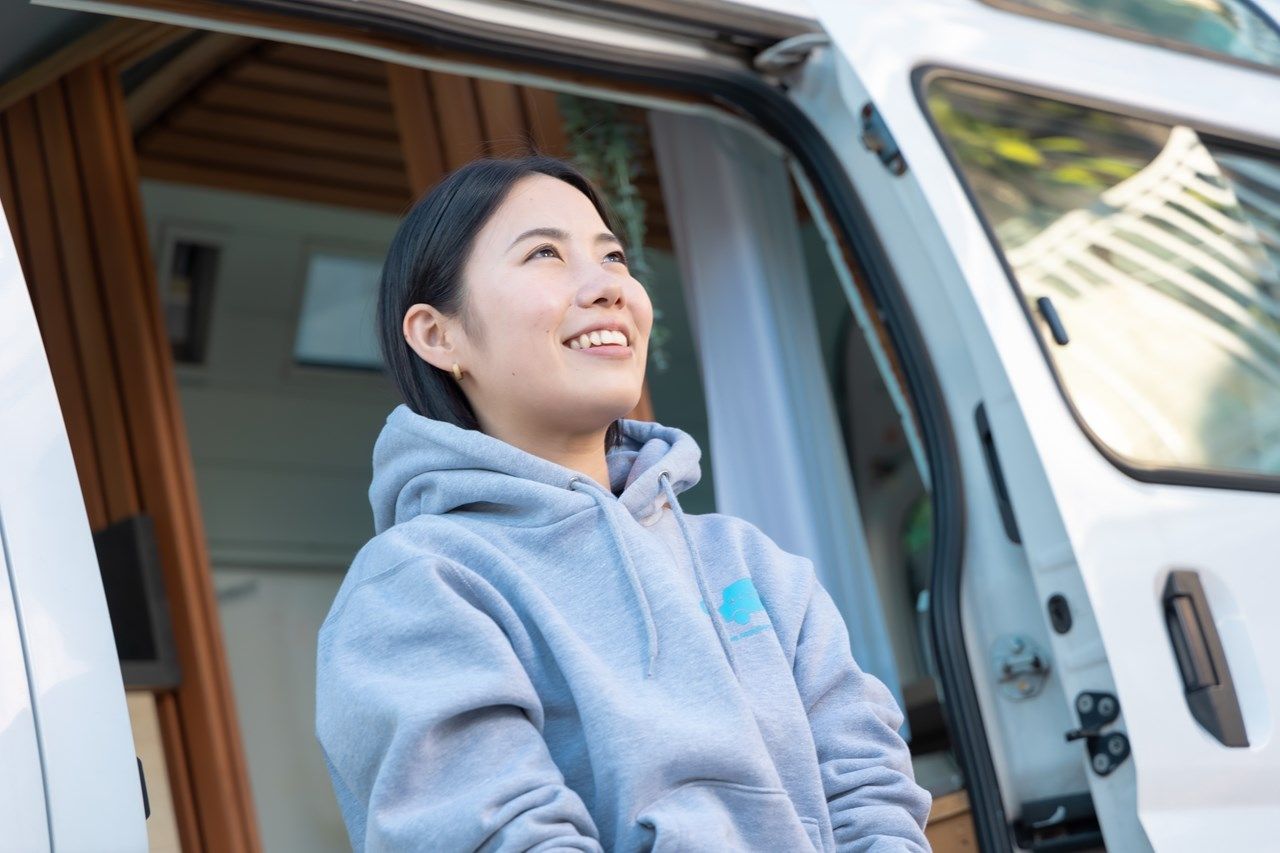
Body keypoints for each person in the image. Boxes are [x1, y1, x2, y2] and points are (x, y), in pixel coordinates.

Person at [314, 154, 933, 852]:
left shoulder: (750, 563)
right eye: (544, 253)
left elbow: (869, 786)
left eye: (613, 255)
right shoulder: (416, 587)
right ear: (439, 335)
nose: (606, 284)